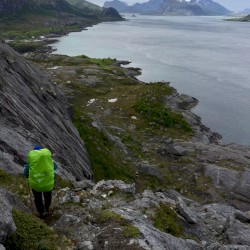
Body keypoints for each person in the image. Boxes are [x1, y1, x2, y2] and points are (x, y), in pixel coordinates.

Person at [24, 146, 57, 219]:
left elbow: (25, 173)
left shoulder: (31, 162)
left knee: (37, 198)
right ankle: (47, 209)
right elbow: (55, 167)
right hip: (47, 183)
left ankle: (41, 213)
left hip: (36, 184)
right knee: (47, 196)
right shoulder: (48, 160)